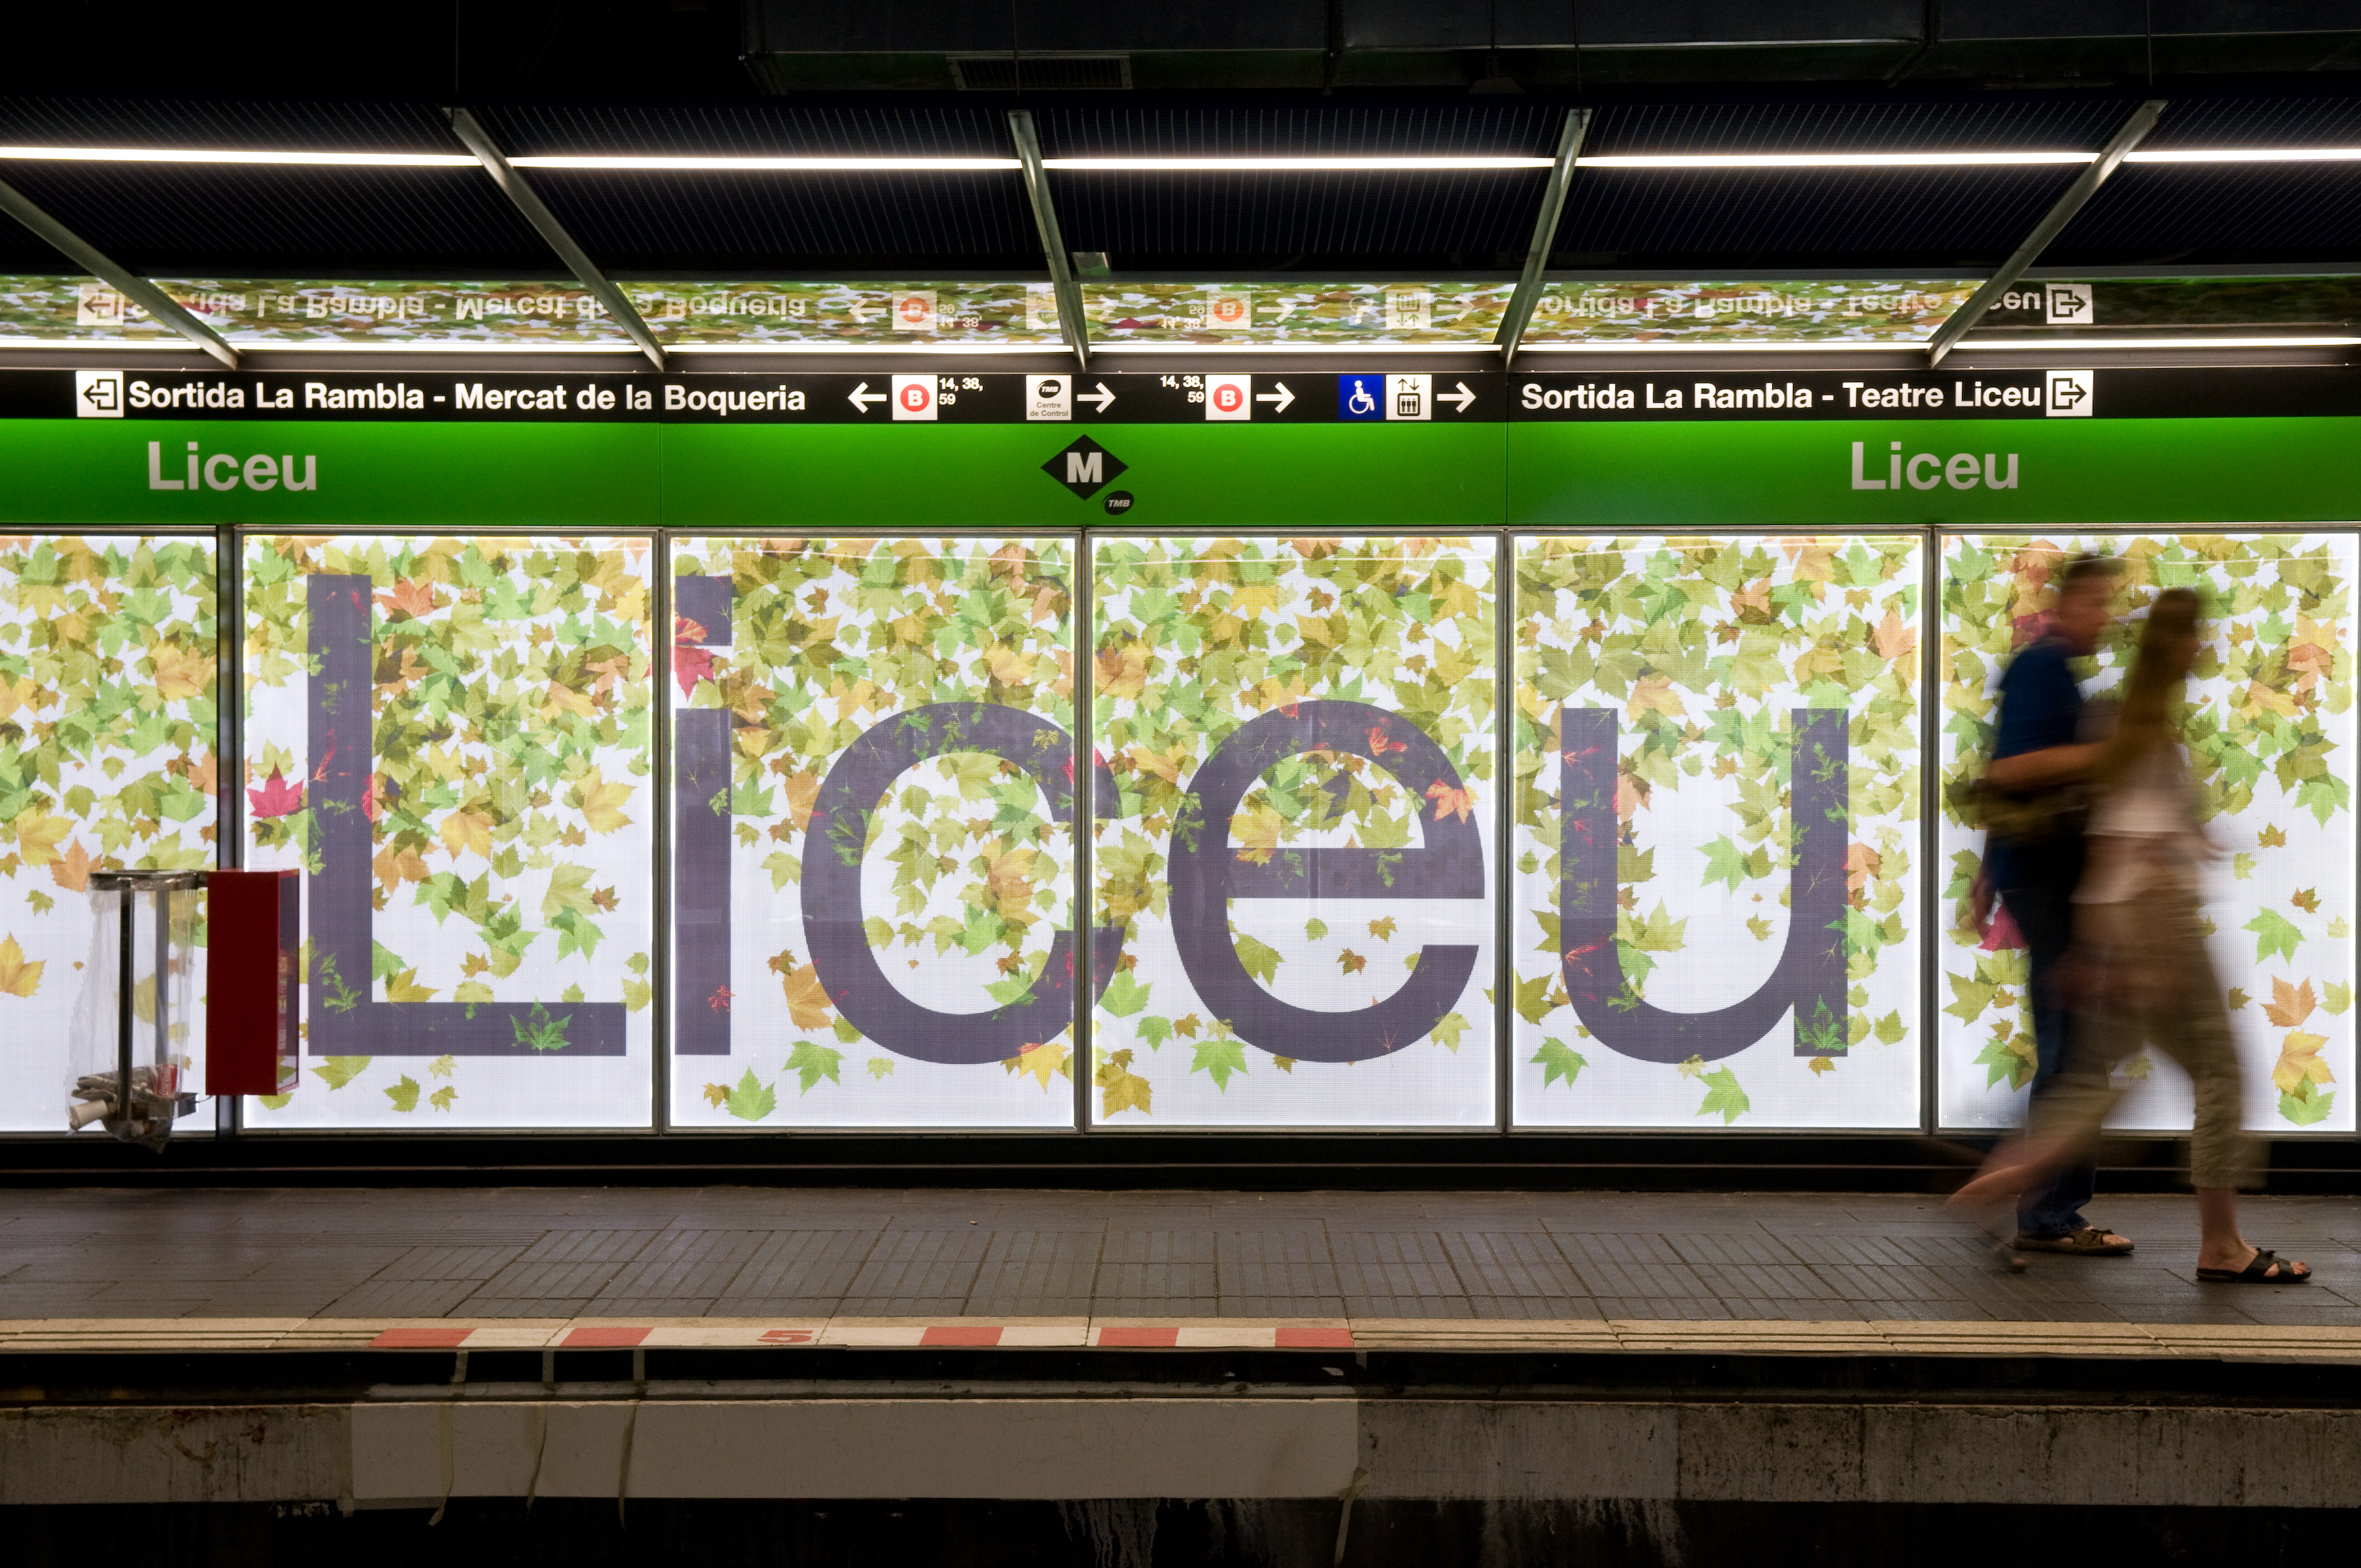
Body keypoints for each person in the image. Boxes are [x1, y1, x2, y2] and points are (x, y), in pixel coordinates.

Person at [1955, 589, 2308, 1284]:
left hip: (2124, 917)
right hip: (2154, 918)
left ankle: (2003, 1181)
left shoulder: (2124, 718)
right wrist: (2127, 948)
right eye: (2198, 634)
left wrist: (2101, 935)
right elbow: (2120, 841)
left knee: (2091, 1077)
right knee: (2220, 1074)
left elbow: (2114, 833)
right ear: (2178, 644)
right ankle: (2222, 1246)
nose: (2206, 645)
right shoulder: (2135, 725)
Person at [1974, 553, 2132, 1257]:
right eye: (2098, 602)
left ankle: (2045, 1203)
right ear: (2067, 604)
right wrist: (2105, 753)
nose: (2107, 617)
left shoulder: (2056, 673)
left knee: (2075, 1047)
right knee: (2071, 1050)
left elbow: (2008, 779)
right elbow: (2011, 769)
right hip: (2049, 881)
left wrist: (1987, 872)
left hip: (2043, 877)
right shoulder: (2043, 669)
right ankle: (2045, 1210)